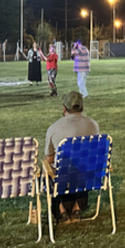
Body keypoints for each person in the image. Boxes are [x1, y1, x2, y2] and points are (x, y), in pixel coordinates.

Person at [44, 92, 100, 224]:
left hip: (64, 176)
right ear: (82, 108)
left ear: (64, 109)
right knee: (82, 166)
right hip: (89, 176)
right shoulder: (93, 125)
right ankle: (77, 207)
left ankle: (61, 209)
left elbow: (50, 160)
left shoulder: (55, 128)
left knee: (48, 171)